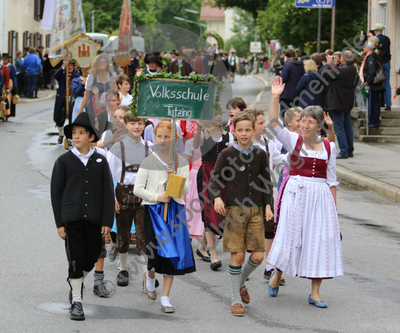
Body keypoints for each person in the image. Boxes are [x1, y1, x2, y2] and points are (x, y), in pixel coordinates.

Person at [267, 76, 343, 309]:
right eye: (303, 121)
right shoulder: (294, 140)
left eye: (310, 122)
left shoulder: (329, 147)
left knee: (319, 239)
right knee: (291, 236)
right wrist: (275, 96)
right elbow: (273, 123)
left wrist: (334, 209)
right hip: (296, 193)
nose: (304, 125)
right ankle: (278, 273)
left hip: (320, 197)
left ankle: (315, 292)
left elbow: (331, 179)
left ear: (319, 125)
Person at [50, 112, 114, 320]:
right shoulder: (64, 161)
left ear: (91, 137)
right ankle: (77, 301)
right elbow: (56, 193)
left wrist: (107, 221)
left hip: (94, 218)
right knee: (76, 259)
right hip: (72, 218)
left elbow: (107, 192)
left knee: (93, 254)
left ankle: (75, 281)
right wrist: (60, 223)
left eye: (81, 133)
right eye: (73, 133)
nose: (76, 137)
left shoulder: (99, 161)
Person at [209, 112, 273, 316]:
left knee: (258, 256)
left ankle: (241, 281)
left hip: (256, 210)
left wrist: (268, 205)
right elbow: (215, 180)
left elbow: (266, 182)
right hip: (234, 210)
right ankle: (236, 299)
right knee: (237, 254)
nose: (244, 134)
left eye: (248, 130)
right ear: (233, 131)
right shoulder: (227, 154)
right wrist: (217, 197)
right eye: (240, 130)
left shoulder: (260, 153)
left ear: (254, 131)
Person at [134, 121, 195, 313]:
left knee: (172, 253)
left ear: (174, 138)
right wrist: (157, 197)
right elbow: (138, 189)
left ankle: (166, 297)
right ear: (153, 137)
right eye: (159, 136)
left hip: (174, 211)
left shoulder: (181, 162)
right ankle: (150, 275)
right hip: (153, 211)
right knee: (153, 251)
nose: (163, 140)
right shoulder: (148, 161)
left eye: (167, 137)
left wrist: (174, 177)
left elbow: (184, 190)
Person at [107, 113, 152, 286]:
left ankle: (146, 275)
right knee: (123, 233)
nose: (136, 127)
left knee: (143, 234)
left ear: (144, 124)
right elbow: (109, 175)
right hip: (123, 192)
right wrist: (112, 199)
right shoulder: (117, 148)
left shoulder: (150, 147)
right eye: (132, 123)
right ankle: (122, 269)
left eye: (140, 123)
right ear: (126, 124)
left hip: (143, 194)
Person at [245, 108, 286, 284]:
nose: (264, 126)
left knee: (270, 230)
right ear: (252, 126)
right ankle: (241, 269)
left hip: (266, 194)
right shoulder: (243, 145)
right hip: (247, 195)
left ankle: (269, 267)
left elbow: (282, 160)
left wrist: (300, 150)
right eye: (261, 123)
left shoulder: (268, 142)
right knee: (249, 236)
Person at [193, 113, 234, 270]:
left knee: (220, 212)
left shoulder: (228, 136)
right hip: (206, 175)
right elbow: (196, 145)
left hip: (223, 175)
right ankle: (214, 257)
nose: (217, 118)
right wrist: (198, 127)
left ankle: (202, 247)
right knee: (209, 212)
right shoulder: (203, 134)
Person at [325, 51, 357, 158]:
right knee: (347, 126)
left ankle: (343, 151)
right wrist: (338, 63)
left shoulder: (341, 70)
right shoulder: (352, 68)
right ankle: (349, 149)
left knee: (339, 127)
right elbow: (339, 70)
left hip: (338, 100)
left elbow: (325, 74)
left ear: (343, 58)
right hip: (347, 100)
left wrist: (329, 63)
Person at [53, 58, 80, 144]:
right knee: (59, 117)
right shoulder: (62, 74)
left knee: (72, 119)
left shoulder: (76, 76)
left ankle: (69, 137)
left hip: (73, 99)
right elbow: (55, 76)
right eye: (69, 65)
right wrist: (63, 66)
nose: (70, 67)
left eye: (71, 65)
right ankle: (61, 134)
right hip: (62, 98)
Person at [366, 23, 391, 110]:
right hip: (387, 62)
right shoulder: (387, 39)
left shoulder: (375, 40)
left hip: (379, 64)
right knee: (387, 84)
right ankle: (388, 104)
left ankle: (380, 103)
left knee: (378, 83)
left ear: (376, 31)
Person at [360, 42, 385, 129]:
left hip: (373, 84)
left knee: (373, 103)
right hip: (373, 84)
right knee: (373, 102)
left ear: (369, 48)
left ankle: (374, 122)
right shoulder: (371, 56)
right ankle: (374, 121)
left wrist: (368, 81)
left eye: (365, 47)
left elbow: (371, 71)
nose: (363, 48)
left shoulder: (371, 57)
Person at [279, 49, 305, 117]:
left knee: (285, 115)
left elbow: (283, 78)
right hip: (298, 93)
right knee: (296, 115)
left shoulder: (287, 64)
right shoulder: (301, 64)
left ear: (286, 56)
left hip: (287, 94)